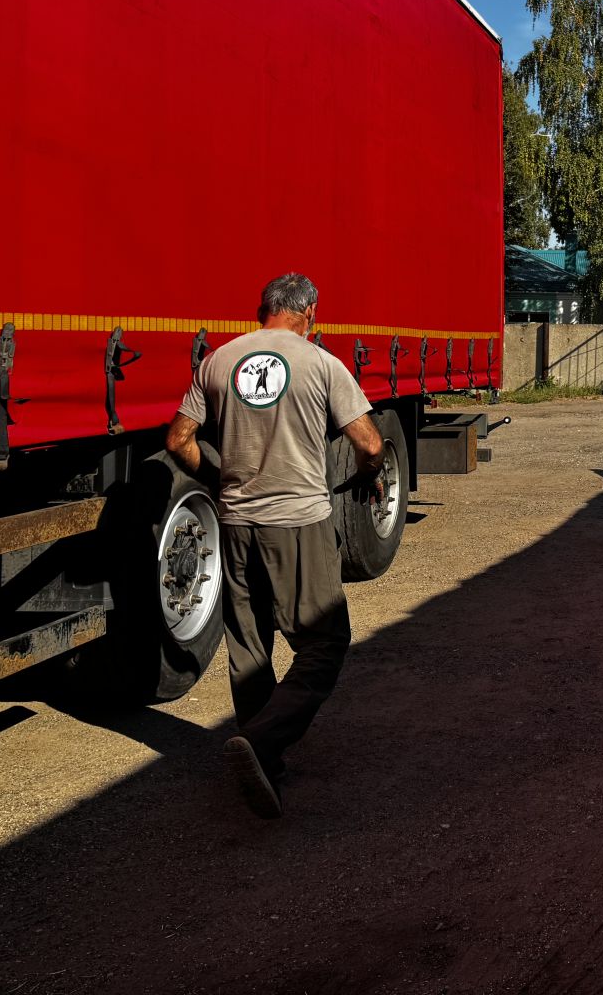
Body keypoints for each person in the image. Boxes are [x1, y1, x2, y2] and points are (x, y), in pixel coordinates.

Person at [166, 272, 384, 818]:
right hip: (299, 523)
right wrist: (366, 474)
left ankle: (265, 761)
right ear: (309, 311)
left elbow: (177, 440)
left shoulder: (218, 361)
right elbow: (371, 443)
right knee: (324, 642)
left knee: (249, 645)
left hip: (236, 522)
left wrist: (218, 480)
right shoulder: (321, 363)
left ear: (261, 309)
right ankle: (263, 743)